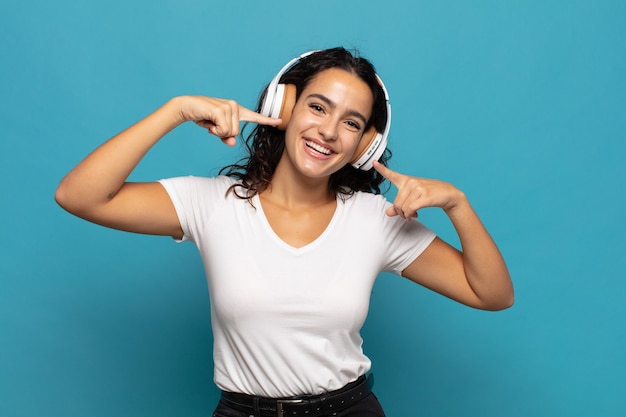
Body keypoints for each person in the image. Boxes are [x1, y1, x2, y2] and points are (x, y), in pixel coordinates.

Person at [55, 47, 513, 417]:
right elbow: (81, 196)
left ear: (364, 143)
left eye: (351, 122)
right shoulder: (211, 203)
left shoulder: (377, 219)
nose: (329, 131)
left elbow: (491, 294)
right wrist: (174, 111)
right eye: (318, 107)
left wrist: (457, 203)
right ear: (284, 108)